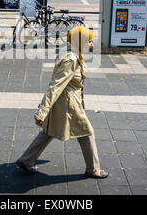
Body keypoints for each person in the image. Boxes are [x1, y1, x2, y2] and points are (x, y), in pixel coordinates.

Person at [16, 27, 109, 179]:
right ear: (81, 41)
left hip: (64, 102)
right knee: (87, 133)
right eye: (89, 41)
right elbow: (56, 85)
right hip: (69, 105)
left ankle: (26, 160)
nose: (92, 44)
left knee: (48, 131)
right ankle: (93, 169)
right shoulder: (71, 59)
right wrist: (42, 111)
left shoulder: (73, 53)